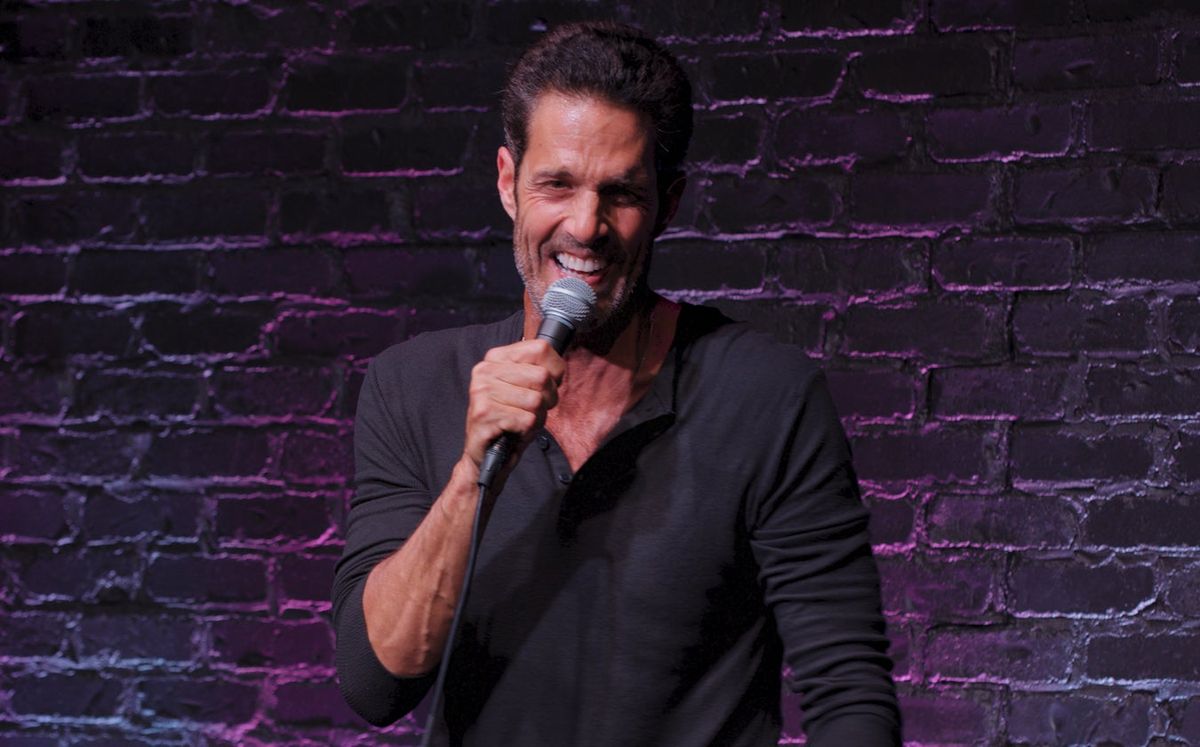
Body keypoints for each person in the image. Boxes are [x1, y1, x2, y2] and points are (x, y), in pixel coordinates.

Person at [332, 21, 901, 746]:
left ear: (669, 203)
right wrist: (474, 475)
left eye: (621, 192)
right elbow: (375, 681)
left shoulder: (767, 396)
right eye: (557, 184)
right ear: (508, 182)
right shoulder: (413, 385)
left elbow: (849, 694)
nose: (586, 225)